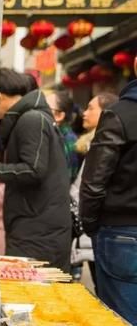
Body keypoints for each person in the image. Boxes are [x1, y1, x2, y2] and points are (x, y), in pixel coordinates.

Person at [0, 68, 71, 271]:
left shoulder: (31, 120)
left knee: (34, 293)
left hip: (38, 228)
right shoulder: (29, 118)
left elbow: (33, 170)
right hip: (34, 223)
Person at [79, 79, 137, 324]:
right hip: (121, 231)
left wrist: (91, 224)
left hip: (121, 231)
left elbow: (94, 181)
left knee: (120, 318)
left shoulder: (121, 113)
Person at [69, 93, 117, 285]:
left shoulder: (102, 144)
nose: (84, 113)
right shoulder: (86, 144)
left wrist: (88, 223)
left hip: (97, 228)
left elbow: (91, 187)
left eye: (91, 108)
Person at [46, 90, 79, 183]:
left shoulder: (66, 140)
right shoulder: (56, 134)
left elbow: (64, 179)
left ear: (59, 116)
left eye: (46, 107)